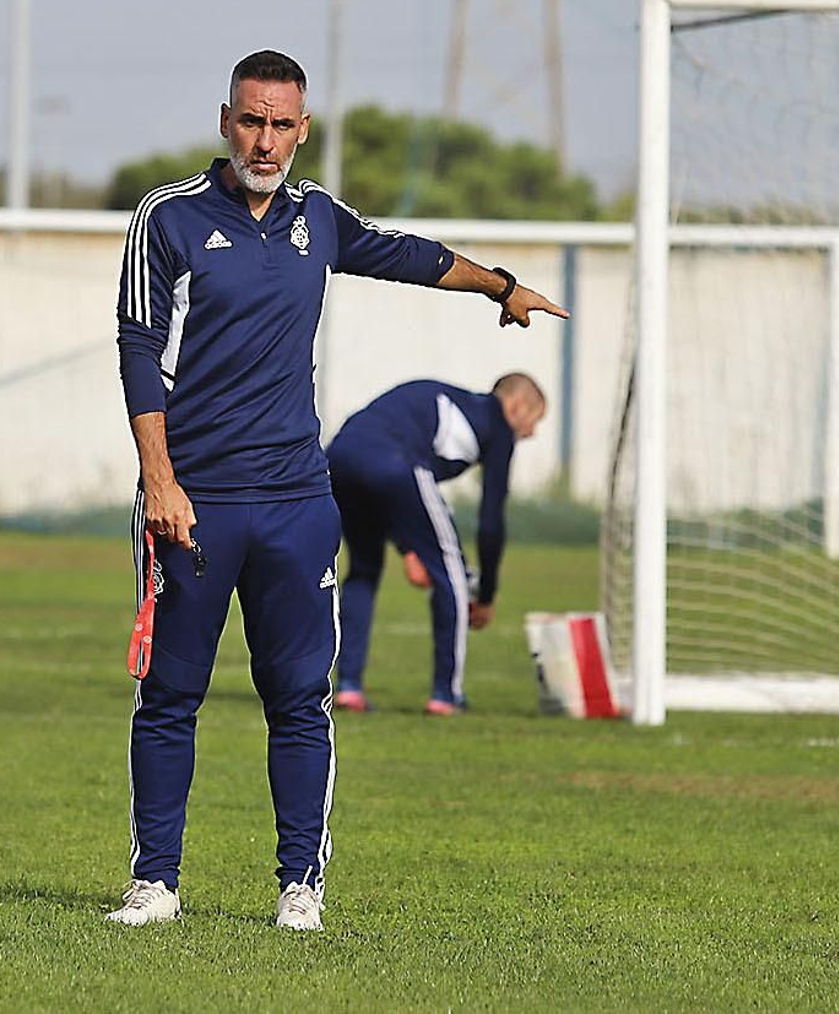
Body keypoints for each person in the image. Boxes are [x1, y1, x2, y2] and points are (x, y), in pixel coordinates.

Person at [107, 50, 567, 932]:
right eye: (251, 121)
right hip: (194, 503)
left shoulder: (317, 217)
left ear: (303, 130)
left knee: (299, 700)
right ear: (225, 121)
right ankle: (155, 884)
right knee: (169, 698)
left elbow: (406, 255)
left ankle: (300, 887)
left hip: (297, 502)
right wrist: (159, 480)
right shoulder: (167, 218)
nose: (264, 141)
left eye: (281, 125)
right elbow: (138, 350)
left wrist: (500, 287)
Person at [326, 374, 546, 715]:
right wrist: (486, 595)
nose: (532, 433)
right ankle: (447, 694)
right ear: (517, 406)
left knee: (363, 571)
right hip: (395, 462)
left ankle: (349, 688)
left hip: (340, 459)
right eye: (535, 419)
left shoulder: (456, 401)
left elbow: (380, 473)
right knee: (451, 572)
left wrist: (408, 549)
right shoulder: (499, 425)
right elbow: (491, 522)